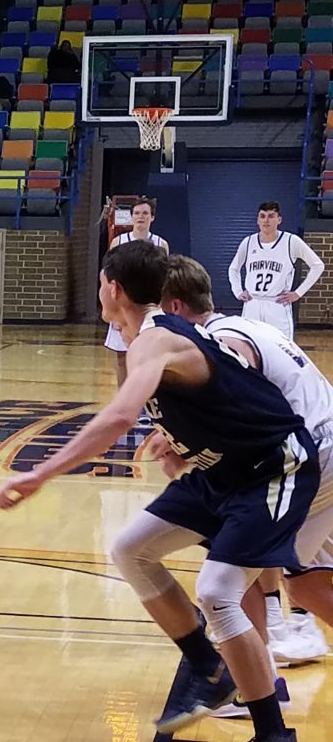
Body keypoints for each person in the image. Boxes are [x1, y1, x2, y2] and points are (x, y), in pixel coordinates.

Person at [0, 240, 319, 742]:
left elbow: (120, 416)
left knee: (219, 592)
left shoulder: (154, 339)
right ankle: (207, 666)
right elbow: (220, 397)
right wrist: (181, 441)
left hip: (276, 468)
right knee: (130, 550)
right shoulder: (157, 337)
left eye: (103, 281)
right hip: (224, 470)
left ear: (113, 288)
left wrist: (40, 474)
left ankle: (273, 732)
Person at [162, 256, 332, 679]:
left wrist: (186, 444)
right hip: (326, 445)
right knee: (306, 580)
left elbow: (238, 403)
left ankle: (252, 684)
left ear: (175, 308)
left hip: (317, 455)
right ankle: (267, 661)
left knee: (241, 556)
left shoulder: (223, 341)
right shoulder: (243, 325)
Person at [228, 201, 324, 341]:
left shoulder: (291, 241)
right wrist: (237, 291)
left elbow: (318, 265)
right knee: (250, 348)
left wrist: (298, 293)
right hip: (252, 304)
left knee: (282, 350)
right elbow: (233, 268)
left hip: (277, 304)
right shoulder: (248, 242)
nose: (266, 220)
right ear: (257, 220)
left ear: (279, 219)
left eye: (271, 216)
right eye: (262, 216)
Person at [103, 198, 169, 386]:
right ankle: (124, 399)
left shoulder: (161, 244)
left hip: (147, 308)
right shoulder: (119, 241)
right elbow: (110, 278)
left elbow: (163, 281)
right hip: (124, 306)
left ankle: (147, 404)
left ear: (152, 217)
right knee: (122, 357)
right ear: (131, 217)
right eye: (137, 213)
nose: (141, 217)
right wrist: (115, 314)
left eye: (145, 213)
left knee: (148, 357)